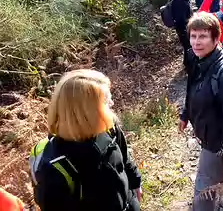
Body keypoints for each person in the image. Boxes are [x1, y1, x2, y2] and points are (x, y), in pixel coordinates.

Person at [30, 69, 142, 211]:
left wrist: (136, 183)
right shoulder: (54, 167)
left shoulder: (108, 128)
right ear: (86, 112)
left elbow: (125, 159)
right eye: (106, 101)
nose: (113, 103)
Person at [179, 12, 223, 211]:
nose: (196, 42)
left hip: (218, 145)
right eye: (193, 36)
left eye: (203, 36)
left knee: (203, 193)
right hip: (212, 136)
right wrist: (185, 113)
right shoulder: (197, 60)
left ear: (216, 39)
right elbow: (193, 89)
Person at [171, 0, 193, 66]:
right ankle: (190, 68)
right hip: (184, 29)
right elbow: (181, 19)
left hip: (186, 28)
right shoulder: (179, 0)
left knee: (188, 48)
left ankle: (188, 65)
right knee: (189, 48)